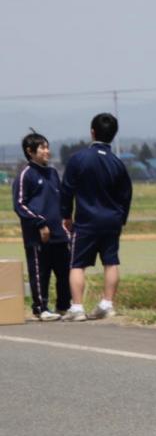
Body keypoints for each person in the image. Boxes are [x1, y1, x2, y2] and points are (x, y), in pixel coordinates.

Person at [59, 113, 132, 322]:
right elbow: (126, 194)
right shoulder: (117, 163)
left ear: (92, 132)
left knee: (77, 264)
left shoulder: (78, 159)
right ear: (114, 135)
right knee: (111, 261)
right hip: (112, 220)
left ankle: (77, 307)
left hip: (86, 220)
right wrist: (121, 218)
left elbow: (67, 190)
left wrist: (66, 214)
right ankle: (107, 304)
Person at [11, 130, 70, 321]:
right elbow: (19, 204)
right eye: (42, 148)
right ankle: (40, 307)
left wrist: (66, 221)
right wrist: (40, 223)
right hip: (37, 234)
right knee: (40, 273)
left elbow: (60, 200)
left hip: (59, 232)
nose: (47, 151)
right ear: (30, 151)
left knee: (64, 271)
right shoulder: (25, 175)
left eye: (47, 147)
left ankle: (64, 306)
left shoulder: (52, 173)